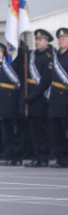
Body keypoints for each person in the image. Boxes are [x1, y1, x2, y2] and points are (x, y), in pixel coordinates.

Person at [28, 28, 68, 168]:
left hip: (65, 98)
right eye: (60, 38)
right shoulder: (55, 58)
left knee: (65, 132)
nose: (61, 40)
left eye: (64, 38)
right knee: (57, 133)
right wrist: (31, 97)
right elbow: (45, 81)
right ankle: (61, 159)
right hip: (55, 99)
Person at [23, 29, 54, 167]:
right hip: (31, 96)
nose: (37, 42)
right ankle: (36, 156)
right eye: (36, 39)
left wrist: (31, 97)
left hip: (41, 97)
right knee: (33, 130)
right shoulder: (31, 55)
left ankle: (44, 157)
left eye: (40, 40)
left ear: (47, 42)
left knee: (42, 130)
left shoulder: (49, 57)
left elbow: (45, 81)